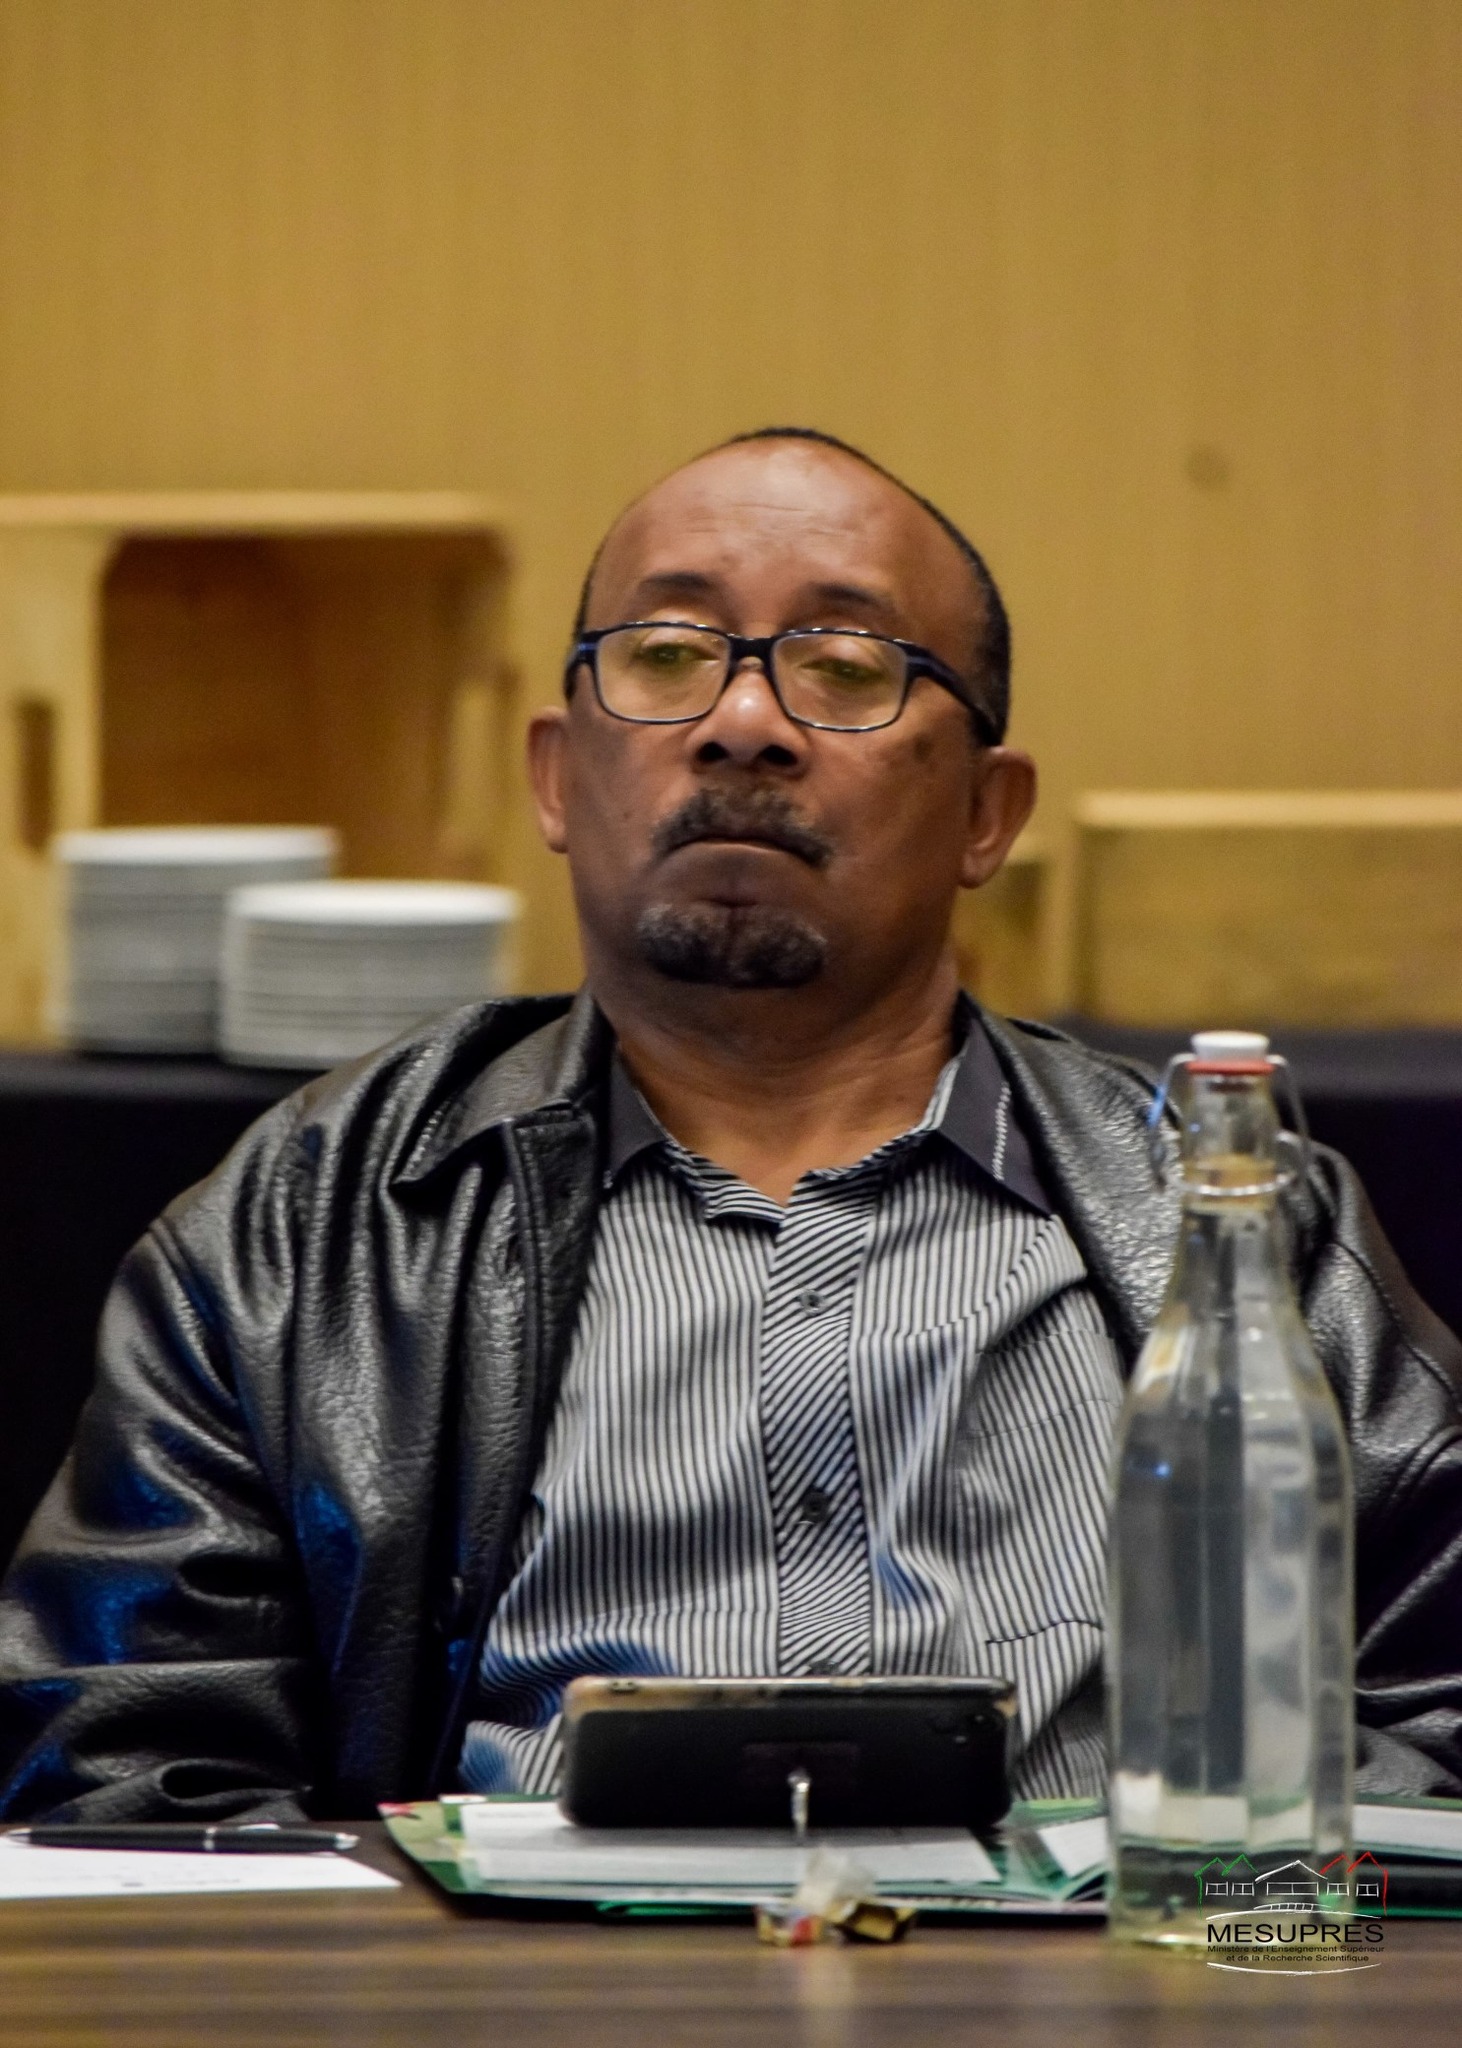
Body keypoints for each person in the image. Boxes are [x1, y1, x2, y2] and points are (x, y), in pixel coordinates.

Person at [1, 428, 1459, 1823]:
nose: (743, 724)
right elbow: (128, 1784)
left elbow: (1435, 1726)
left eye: (845, 666)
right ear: (556, 777)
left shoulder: (1231, 1216)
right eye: (665, 653)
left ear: (986, 816)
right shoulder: (310, 1227)